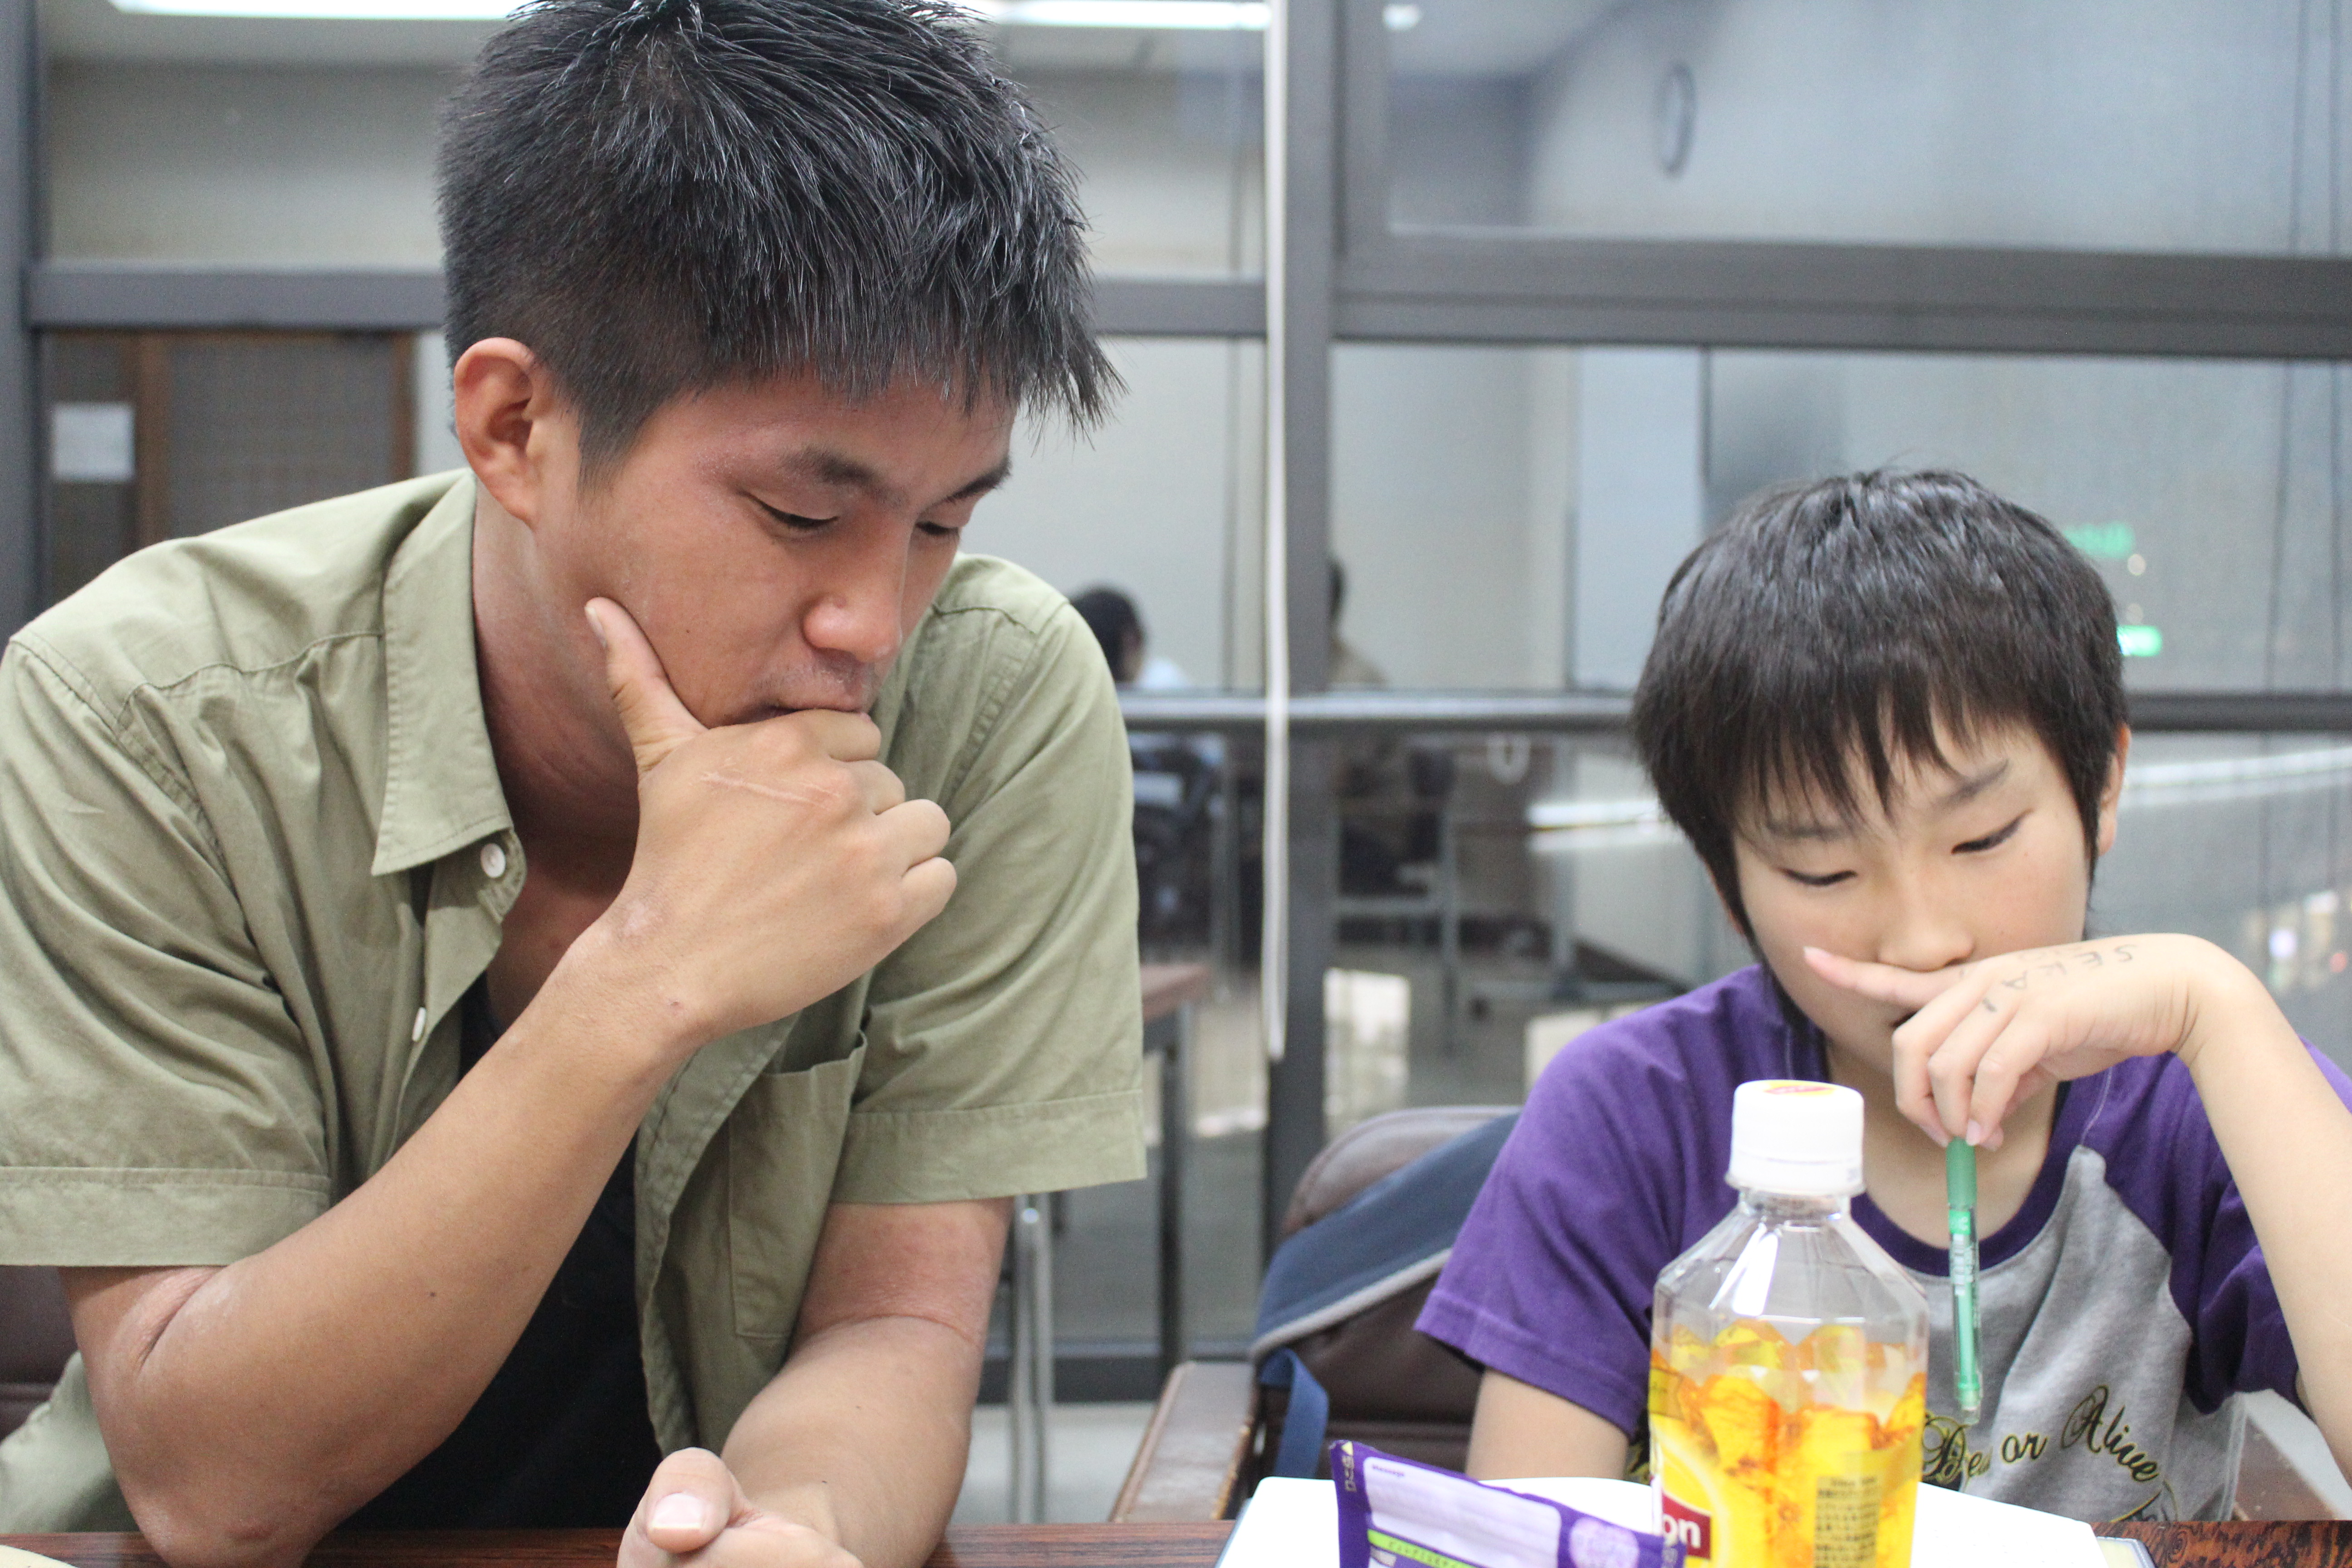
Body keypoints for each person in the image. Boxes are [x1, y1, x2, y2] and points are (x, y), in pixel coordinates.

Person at [0, 3, 1144, 1564]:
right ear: (516, 427)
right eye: (801, 515)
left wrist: (789, 1527)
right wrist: (644, 979)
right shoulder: (147, 715)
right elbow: (214, 1485)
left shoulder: (994, 700)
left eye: (942, 521)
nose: (876, 625)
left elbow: (896, 1323)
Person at [1418, 470, 2352, 1522]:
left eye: (1982, 839)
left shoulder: (2207, 1104)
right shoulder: (1630, 1115)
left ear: (2101, 788)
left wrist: (2217, 1006)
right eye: (1823, 872)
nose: (1923, 938)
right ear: (1728, 884)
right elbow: (1526, 1534)